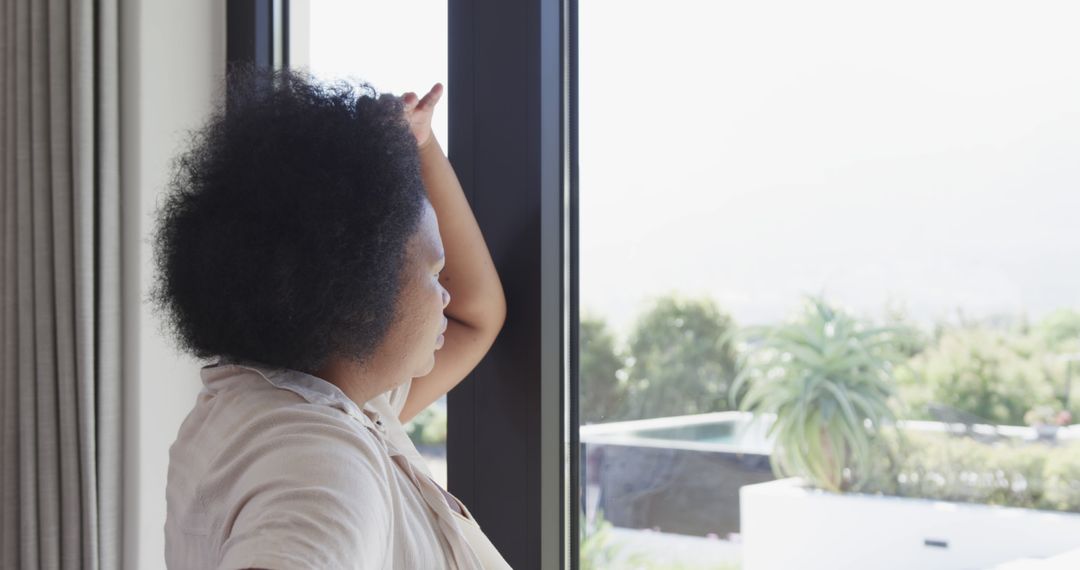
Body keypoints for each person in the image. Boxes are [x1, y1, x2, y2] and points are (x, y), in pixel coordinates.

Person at [155, 66, 510, 569]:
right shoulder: (321, 462)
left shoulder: (293, 401)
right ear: (360, 290)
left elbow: (476, 316)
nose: (445, 297)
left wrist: (419, 148)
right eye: (434, 272)